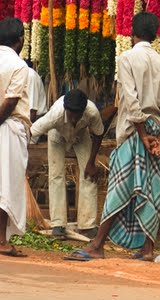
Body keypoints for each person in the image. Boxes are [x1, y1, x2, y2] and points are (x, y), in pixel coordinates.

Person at [67, 12, 160, 262]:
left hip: (134, 132)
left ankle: (97, 245)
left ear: (132, 33)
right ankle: (148, 249)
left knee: (118, 188)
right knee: (152, 189)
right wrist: (158, 138)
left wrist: (142, 136)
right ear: (155, 34)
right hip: (155, 133)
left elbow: (130, 98)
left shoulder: (127, 58)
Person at [31, 89, 106, 240]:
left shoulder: (92, 112)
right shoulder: (54, 115)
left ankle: (88, 225)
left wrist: (91, 162)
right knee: (56, 175)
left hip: (81, 135)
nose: (74, 119)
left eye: (78, 115)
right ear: (66, 109)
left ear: (83, 110)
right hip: (57, 135)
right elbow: (31, 132)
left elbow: (98, 134)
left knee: (89, 176)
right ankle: (58, 225)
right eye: (71, 115)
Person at [0, 17, 30, 257]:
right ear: (20, 39)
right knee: (6, 187)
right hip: (7, 127)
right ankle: (1, 240)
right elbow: (10, 101)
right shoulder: (19, 66)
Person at [25, 60, 48, 143]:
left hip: (35, 121)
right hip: (24, 119)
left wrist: (27, 133)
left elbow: (32, 111)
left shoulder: (30, 76)